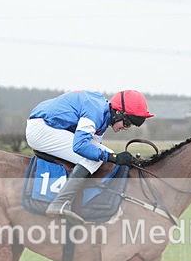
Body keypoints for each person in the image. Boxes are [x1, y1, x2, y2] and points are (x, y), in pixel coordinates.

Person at [26, 89, 153, 223]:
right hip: (41, 129)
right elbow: (80, 146)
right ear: (118, 112)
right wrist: (114, 157)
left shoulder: (103, 115)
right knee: (94, 158)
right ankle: (60, 202)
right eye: (127, 123)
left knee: (99, 154)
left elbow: (96, 147)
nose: (126, 128)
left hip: (49, 127)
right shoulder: (96, 111)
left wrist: (116, 157)